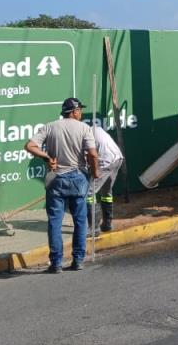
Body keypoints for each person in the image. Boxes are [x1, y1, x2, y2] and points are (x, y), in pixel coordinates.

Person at [25, 97, 98, 273]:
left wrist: (47, 157)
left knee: (55, 222)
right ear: (73, 112)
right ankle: (78, 260)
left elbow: (29, 146)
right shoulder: (84, 128)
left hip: (56, 179)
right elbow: (93, 155)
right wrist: (95, 172)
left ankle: (56, 263)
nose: (80, 113)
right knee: (80, 221)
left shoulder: (50, 127)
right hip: (78, 178)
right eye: (79, 110)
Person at [85, 124, 124, 233]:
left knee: (89, 193)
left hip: (106, 162)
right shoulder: (96, 129)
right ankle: (107, 225)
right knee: (106, 192)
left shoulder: (84, 135)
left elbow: (91, 156)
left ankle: (94, 229)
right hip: (117, 159)